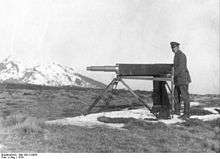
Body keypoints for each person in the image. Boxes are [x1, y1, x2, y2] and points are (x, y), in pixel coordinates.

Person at [170, 42, 191, 119]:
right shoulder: (176, 55)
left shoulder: (181, 55)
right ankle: (177, 111)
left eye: (175, 47)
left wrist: (172, 74)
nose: (173, 49)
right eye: (172, 48)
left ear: (178, 47)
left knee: (185, 96)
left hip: (183, 79)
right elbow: (175, 67)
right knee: (176, 95)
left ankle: (187, 114)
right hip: (178, 80)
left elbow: (180, 68)